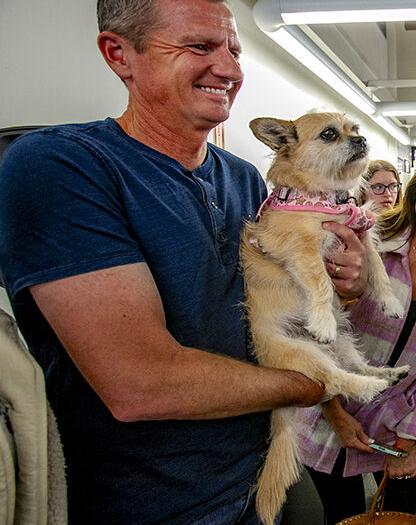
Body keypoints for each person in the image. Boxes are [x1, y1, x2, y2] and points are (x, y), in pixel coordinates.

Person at [0, 1, 372, 522]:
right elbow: (139, 384)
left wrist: (342, 287)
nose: (229, 69)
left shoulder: (243, 178)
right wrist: (323, 382)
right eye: (199, 47)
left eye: (233, 50)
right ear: (119, 54)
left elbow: (267, 310)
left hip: (264, 467)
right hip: (156, 502)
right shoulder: (63, 166)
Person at [295, 135, 416, 524]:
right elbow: (310, 335)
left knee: (407, 514)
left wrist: (411, 438)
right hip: (328, 416)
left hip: (399, 424)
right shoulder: (367, 237)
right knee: (343, 514)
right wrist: (334, 413)